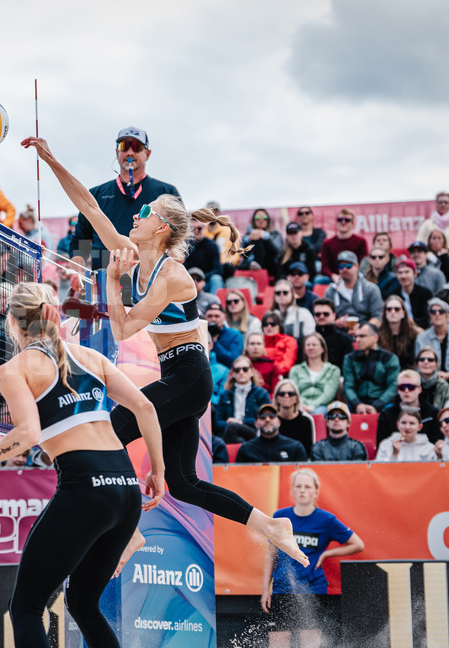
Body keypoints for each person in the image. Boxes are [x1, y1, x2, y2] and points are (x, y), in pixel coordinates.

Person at [25, 135, 309, 574]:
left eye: (144, 213)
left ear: (160, 227)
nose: (135, 216)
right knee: (185, 483)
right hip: (180, 375)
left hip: (190, 376)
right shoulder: (136, 254)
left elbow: (123, 327)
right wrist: (52, 159)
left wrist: (115, 284)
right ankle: (271, 526)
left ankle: (128, 531)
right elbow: (90, 207)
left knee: (110, 430)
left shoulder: (172, 275)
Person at [0, 281, 168, 647]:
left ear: (12, 322)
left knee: (26, 608)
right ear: (53, 313)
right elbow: (145, 407)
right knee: (82, 603)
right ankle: (132, 536)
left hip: (86, 488)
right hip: (125, 490)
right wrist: (157, 471)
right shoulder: (90, 357)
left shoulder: (15, 369)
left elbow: (27, 434)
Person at [262, 468, 364, 644]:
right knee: (278, 643)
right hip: (282, 589)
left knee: (310, 643)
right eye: (298, 486)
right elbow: (271, 555)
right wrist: (265, 590)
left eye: (307, 487)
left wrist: (327, 554)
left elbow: (358, 544)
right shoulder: (280, 517)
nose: (302, 490)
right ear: (292, 490)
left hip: (313, 589)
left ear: (316, 491)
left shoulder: (326, 520)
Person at [66, 127, 181, 271]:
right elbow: (81, 240)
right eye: (124, 146)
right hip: (105, 279)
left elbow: (181, 240)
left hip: (150, 280)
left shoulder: (167, 193)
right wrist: (77, 272)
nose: (130, 152)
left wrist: (168, 270)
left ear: (148, 153)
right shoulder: (96, 194)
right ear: (117, 152)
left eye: (136, 147)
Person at [375, 369, 443, 446]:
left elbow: (437, 443)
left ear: (419, 389)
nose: (406, 390)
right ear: (398, 390)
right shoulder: (386, 415)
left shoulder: (433, 413)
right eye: (402, 387)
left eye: (411, 387)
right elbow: (381, 446)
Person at [343, 324, 400, 413]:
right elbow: (348, 386)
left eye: (362, 336)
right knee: (339, 411)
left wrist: (377, 405)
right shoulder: (350, 358)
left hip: (383, 403)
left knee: (392, 411)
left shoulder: (389, 358)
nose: (357, 340)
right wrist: (358, 404)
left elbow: (393, 386)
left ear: (375, 338)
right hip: (357, 403)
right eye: (356, 336)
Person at [414, 298, 449, 385]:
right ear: (430, 316)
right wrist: (432, 373)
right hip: (429, 377)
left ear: (448, 316)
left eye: (441, 311)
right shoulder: (421, 338)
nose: (437, 314)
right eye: (433, 312)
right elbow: (418, 365)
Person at [213, 356, 268, 442]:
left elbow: (265, 419)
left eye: (245, 369)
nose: (241, 372)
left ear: (252, 372)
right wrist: (229, 423)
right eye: (237, 370)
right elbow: (218, 423)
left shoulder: (261, 393)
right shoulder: (225, 395)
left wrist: (240, 422)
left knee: (233, 427)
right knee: (239, 439)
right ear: (233, 374)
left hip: (252, 432)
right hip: (230, 432)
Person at [324, 251, 383, 328]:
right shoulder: (331, 291)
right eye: (341, 266)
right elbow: (324, 318)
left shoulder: (371, 289)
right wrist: (336, 323)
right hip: (339, 333)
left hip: (366, 333)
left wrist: (363, 329)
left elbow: (378, 317)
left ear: (357, 266)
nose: (344, 269)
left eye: (348, 265)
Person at [289, 333, 341, 417]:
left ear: (322, 348)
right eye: (308, 345)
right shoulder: (296, 370)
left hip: (322, 406)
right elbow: (294, 391)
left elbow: (328, 394)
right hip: (300, 405)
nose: (310, 347)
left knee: (317, 413)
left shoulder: (333, 370)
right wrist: (302, 405)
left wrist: (313, 406)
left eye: (314, 345)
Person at [235, 404, 309, 463]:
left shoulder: (295, 447)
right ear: (256, 424)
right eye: (262, 417)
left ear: (279, 422)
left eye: (272, 416)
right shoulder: (246, 449)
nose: (267, 420)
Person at [319, 209, 368, 280]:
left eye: (347, 220)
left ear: (353, 223)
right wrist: (333, 276)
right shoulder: (327, 243)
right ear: (336, 222)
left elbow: (363, 265)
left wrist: (353, 276)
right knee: (320, 280)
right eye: (340, 219)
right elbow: (324, 267)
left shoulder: (361, 242)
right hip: (334, 278)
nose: (343, 222)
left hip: (355, 277)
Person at [272, 379, 316, 457]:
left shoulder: (306, 420)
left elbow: (308, 450)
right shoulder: (271, 420)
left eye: (291, 393)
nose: (286, 396)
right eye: (282, 393)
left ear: (296, 398)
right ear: (277, 398)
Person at [380, 294, 423, 369]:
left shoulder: (415, 334)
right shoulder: (377, 334)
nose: (393, 312)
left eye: (397, 309)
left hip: (410, 374)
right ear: (385, 313)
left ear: (403, 313)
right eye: (389, 309)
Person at [311, 299, 354, 369]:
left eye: (326, 314)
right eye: (318, 314)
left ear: (334, 315)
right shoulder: (308, 340)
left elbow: (349, 367)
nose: (321, 317)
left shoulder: (344, 340)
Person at [186, 217, 224, 292]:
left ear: (204, 228)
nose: (196, 231)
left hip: (206, 281)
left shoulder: (212, 245)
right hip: (189, 281)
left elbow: (218, 269)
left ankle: (215, 302)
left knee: (216, 279)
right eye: (193, 229)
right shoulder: (185, 246)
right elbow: (182, 267)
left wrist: (201, 278)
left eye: (199, 228)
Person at [243, 208, 282, 276]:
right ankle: (256, 265)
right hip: (249, 266)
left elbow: (278, 251)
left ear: (268, 220)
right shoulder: (248, 235)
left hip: (270, 267)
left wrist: (266, 237)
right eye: (257, 218)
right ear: (254, 220)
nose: (261, 220)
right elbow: (242, 253)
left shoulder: (275, 234)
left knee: (259, 240)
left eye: (264, 217)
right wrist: (249, 240)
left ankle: (257, 265)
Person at [205, 303, 244, 369]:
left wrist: (214, 341)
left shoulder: (234, 334)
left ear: (224, 318)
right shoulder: (199, 334)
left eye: (217, 316)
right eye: (210, 316)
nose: (213, 319)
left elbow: (233, 361)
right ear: (204, 317)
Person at [262, 312, 299, 379]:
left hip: (283, 377)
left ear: (280, 326)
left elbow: (288, 362)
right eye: (265, 324)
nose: (269, 327)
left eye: (273, 324)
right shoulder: (258, 341)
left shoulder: (289, 340)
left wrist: (272, 372)